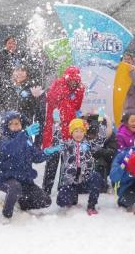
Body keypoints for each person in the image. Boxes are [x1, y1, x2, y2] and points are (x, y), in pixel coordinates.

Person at [0, 111, 52, 222]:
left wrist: (47, 153)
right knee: (15, 187)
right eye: (12, 123)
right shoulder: (4, 140)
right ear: (7, 126)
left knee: (45, 201)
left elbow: (36, 157)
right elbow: (11, 148)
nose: (15, 126)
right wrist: (24, 135)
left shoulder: (27, 140)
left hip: (25, 180)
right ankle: (6, 214)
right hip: (8, 179)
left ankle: (15, 201)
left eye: (17, 123)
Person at [45, 115, 107, 215]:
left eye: (81, 131)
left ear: (84, 132)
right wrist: (56, 123)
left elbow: (100, 140)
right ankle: (72, 195)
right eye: (76, 131)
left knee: (96, 177)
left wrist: (102, 123)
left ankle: (91, 206)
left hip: (85, 180)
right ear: (71, 132)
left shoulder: (88, 145)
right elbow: (57, 139)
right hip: (70, 182)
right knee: (62, 201)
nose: (79, 134)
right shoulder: (67, 145)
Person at [41, 66, 85, 194]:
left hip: (69, 130)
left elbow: (76, 106)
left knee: (66, 163)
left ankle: (62, 189)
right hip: (56, 129)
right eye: (71, 79)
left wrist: (79, 92)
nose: (73, 82)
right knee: (52, 161)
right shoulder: (58, 85)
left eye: (75, 80)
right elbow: (52, 100)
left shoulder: (78, 89)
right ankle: (46, 190)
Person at [0, 65, 46, 149]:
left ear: (27, 73)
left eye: (23, 70)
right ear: (12, 72)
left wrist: (37, 99)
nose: (19, 73)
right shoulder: (6, 87)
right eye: (17, 70)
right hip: (8, 131)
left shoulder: (32, 89)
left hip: (24, 130)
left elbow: (38, 114)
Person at [86, 113, 118, 193]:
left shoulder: (110, 135)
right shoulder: (84, 135)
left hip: (105, 162)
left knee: (100, 161)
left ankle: (101, 184)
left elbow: (112, 152)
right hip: (88, 162)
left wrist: (99, 151)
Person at [0, 35, 26, 100]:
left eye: (14, 43)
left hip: (12, 88)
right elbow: (3, 70)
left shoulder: (19, 55)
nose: (11, 45)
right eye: (9, 43)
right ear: (5, 44)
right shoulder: (0, 54)